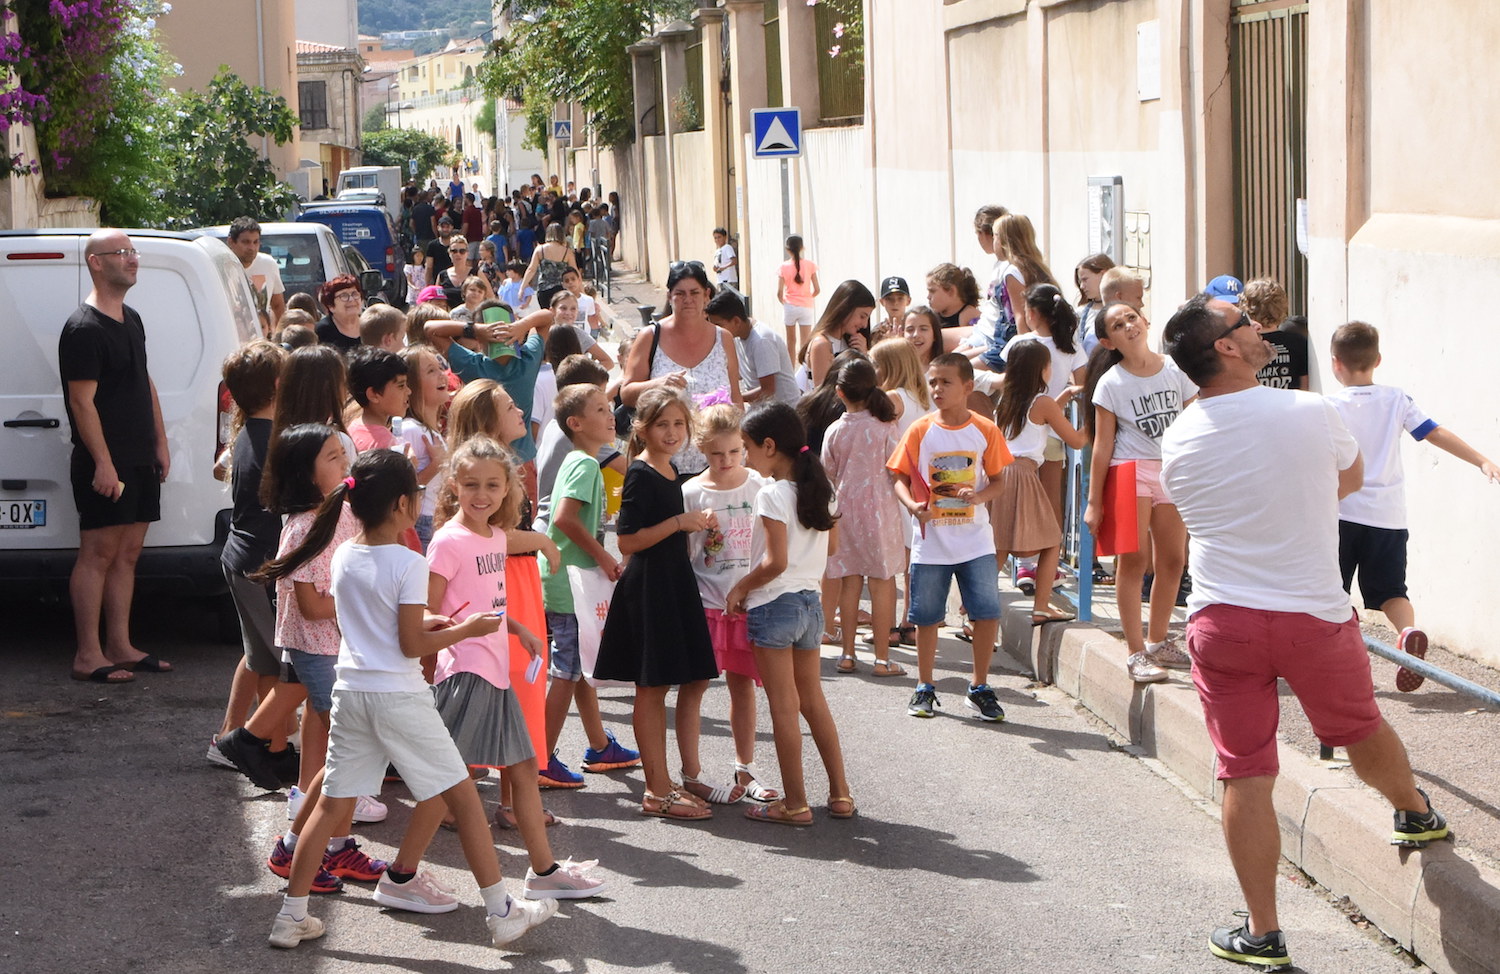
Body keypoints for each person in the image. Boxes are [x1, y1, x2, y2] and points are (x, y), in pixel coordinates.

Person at [1159, 294, 1449, 972]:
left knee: (1245, 772)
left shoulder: (1179, 436)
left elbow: (1185, 517)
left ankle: (1264, 934)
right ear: (1225, 348)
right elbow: (1348, 480)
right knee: (1361, 729)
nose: (1260, 329)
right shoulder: (1311, 409)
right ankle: (1413, 810)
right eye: (1244, 324)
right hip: (1313, 615)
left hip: (1221, 619)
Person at [266, 450, 557, 950]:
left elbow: (372, 621)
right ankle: (502, 912)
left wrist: (434, 623)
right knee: (464, 799)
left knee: (331, 807)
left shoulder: (343, 554)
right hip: (398, 696)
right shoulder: (408, 561)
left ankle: (291, 917)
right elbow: (409, 645)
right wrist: (463, 628)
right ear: (404, 504)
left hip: (352, 693)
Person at [427, 435, 606, 899]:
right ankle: (403, 874)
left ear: (507, 488)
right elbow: (428, 616)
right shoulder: (447, 542)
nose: (481, 494)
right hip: (466, 675)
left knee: (522, 768)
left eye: (491, 485)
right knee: (450, 778)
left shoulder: (494, 537)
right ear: (453, 485)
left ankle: (543, 872)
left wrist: (518, 629)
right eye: (471, 485)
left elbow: (497, 580)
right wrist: (467, 631)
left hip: (496, 671)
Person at [237, 424, 388, 862]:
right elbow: (312, 608)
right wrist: (363, 599)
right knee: (346, 751)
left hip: (341, 646)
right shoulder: (302, 528)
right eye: (332, 457)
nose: (345, 463)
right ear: (304, 473)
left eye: (344, 454)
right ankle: (308, 847)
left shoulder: (343, 510)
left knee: (343, 749)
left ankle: (335, 844)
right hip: (316, 649)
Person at [1326, 320, 1500, 690]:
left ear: (1335, 363)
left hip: (1339, 513)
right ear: (1378, 359)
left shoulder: (1329, 407)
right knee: (1391, 591)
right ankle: (1407, 631)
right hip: (1388, 517)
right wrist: (1481, 459)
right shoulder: (1396, 399)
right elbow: (1433, 432)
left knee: (1330, 590)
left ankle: (1343, 654)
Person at [591, 389, 722, 821]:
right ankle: (657, 790)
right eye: (662, 424)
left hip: (673, 583)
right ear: (643, 428)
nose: (672, 432)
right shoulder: (642, 472)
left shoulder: (668, 470)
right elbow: (628, 540)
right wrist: (679, 523)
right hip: (650, 588)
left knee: (673, 683)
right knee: (650, 689)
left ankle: (667, 784)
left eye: (679, 424)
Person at [726, 401, 851, 826]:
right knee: (812, 701)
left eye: (746, 448)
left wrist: (740, 588)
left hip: (774, 605)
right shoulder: (821, 488)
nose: (745, 457)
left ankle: (794, 804)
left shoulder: (772, 493)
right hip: (810, 604)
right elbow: (831, 550)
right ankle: (840, 794)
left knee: (782, 706)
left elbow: (774, 562)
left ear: (769, 446)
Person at [60, 229, 174, 683]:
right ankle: (88, 654)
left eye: (133, 252)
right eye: (122, 253)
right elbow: (81, 403)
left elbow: (144, 383)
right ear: (95, 262)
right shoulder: (82, 329)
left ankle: (120, 645)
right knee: (98, 554)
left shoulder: (132, 318)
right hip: (104, 461)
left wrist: (160, 443)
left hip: (139, 456)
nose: (132, 259)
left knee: (128, 553)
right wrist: (104, 463)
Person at [887, 353, 1012, 721]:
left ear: (968, 387)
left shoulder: (985, 430)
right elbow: (898, 477)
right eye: (933, 381)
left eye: (946, 382)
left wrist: (978, 496)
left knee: (986, 613)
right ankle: (925, 686)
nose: (937, 389)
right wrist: (912, 506)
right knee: (926, 618)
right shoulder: (920, 430)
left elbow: (1000, 481)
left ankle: (979, 687)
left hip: (976, 542)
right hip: (931, 542)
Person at [1084, 302, 1197, 683]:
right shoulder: (1111, 383)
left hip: (1171, 471)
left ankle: (1158, 639)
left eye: (1131, 318)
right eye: (1118, 324)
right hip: (1129, 471)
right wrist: (1094, 502)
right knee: (1134, 562)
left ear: (1145, 320)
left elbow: (1196, 420)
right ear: (1107, 340)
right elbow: (1102, 445)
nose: (1128, 326)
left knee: (1173, 560)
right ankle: (1134, 653)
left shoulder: (1175, 369)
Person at [538, 384, 642, 789]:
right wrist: (603, 556)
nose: (610, 414)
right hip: (571, 582)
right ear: (576, 423)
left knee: (579, 666)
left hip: (567, 579)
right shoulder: (583, 464)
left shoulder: (582, 459)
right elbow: (564, 519)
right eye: (600, 409)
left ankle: (599, 745)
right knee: (565, 672)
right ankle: (542, 757)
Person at [681, 405, 780, 803]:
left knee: (744, 687)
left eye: (735, 452)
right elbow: (689, 555)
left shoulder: (759, 484)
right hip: (706, 602)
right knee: (695, 686)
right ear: (702, 449)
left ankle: (746, 768)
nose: (726, 461)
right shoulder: (690, 492)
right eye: (717, 454)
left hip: (749, 604)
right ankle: (692, 774)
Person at [209, 342, 287, 764]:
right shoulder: (271, 441)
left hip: (242, 559)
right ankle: (261, 747)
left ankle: (230, 740)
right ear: (278, 385)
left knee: (259, 656)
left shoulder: (247, 433)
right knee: (285, 665)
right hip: (260, 564)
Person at [821, 357, 906, 676]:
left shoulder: (834, 430)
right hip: (881, 511)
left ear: (839, 392)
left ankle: (847, 654)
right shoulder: (886, 425)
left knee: (849, 581)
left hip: (845, 512)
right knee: (883, 583)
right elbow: (897, 464)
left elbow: (829, 470)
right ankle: (883, 659)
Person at [992, 340, 1088, 623]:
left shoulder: (1006, 402)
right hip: (1024, 474)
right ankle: (1041, 606)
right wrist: (1100, 419)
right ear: (1044, 370)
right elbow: (1076, 439)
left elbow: (1039, 419)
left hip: (1002, 472)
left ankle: (975, 612)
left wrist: (1066, 396)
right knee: (1051, 541)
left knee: (999, 546)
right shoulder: (1042, 402)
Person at [619, 260, 744, 475]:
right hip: (665, 465)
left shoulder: (723, 339)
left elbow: (736, 398)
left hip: (716, 464)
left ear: (706, 295)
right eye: (680, 293)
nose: (688, 300)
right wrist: (657, 384)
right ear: (670, 296)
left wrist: (741, 447)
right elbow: (627, 394)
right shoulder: (650, 337)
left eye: (694, 293)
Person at [397, 346, 451, 551]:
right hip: (423, 525)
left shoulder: (430, 431)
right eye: (431, 371)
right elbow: (402, 491)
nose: (442, 375)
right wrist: (435, 465)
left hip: (436, 522)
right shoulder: (411, 429)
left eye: (440, 368)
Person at [706, 287, 798, 404]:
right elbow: (736, 375)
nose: (716, 331)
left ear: (736, 321)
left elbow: (768, 391)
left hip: (783, 412)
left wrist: (734, 398)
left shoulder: (762, 341)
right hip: (763, 409)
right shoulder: (735, 337)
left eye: (719, 325)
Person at [798, 280, 875, 392]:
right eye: (862, 316)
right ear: (845, 308)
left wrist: (864, 354)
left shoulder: (849, 341)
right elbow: (823, 393)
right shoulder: (822, 344)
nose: (864, 325)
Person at [1241, 278, 1308, 390]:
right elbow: (1305, 386)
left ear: (1246, 307)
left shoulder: (1241, 344)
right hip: (1289, 405)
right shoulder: (1298, 342)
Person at [345, 347, 410, 454]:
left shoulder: (351, 429)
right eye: (401, 386)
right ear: (373, 394)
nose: (408, 391)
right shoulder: (387, 444)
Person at [226, 216, 286, 334]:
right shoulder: (221, 267)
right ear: (231, 242)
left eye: (256, 242)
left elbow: (278, 305)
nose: (252, 248)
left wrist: (277, 336)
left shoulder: (268, 264)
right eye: (246, 242)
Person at [776, 234, 820, 357]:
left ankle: (790, 371)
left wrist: (785, 302)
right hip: (806, 306)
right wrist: (808, 297)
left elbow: (779, 293)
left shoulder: (783, 267)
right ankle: (805, 370)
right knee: (805, 342)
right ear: (802, 248)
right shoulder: (810, 265)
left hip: (790, 306)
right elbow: (817, 289)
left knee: (791, 341)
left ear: (787, 249)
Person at [520, 223, 578, 311]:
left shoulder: (540, 250)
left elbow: (531, 269)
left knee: (546, 317)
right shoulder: (567, 252)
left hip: (543, 289)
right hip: (561, 289)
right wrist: (580, 291)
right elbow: (575, 272)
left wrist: (522, 288)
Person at [925, 263, 981, 352]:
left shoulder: (968, 314)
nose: (928, 296)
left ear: (951, 291)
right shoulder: (932, 316)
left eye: (932, 291)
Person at [1074, 253, 1116, 355]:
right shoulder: (1080, 314)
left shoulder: (1124, 310)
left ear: (1103, 274)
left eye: (1085, 280)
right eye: (1080, 282)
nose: (1082, 286)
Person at [313, 275, 366, 353]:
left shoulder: (369, 325)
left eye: (355, 294)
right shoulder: (322, 331)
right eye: (344, 296)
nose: (351, 299)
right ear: (331, 306)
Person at [422, 216, 458, 289]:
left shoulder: (456, 245)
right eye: (443, 227)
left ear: (452, 228)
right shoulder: (432, 245)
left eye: (447, 227)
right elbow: (429, 267)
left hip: (455, 282)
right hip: (438, 283)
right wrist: (427, 286)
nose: (445, 229)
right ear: (438, 228)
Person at [875, 276, 911, 341]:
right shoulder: (877, 332)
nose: (895, 303)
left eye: (900, 298)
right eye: (889, 299)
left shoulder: (913, 328)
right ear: (882, 302)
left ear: (908, 301)